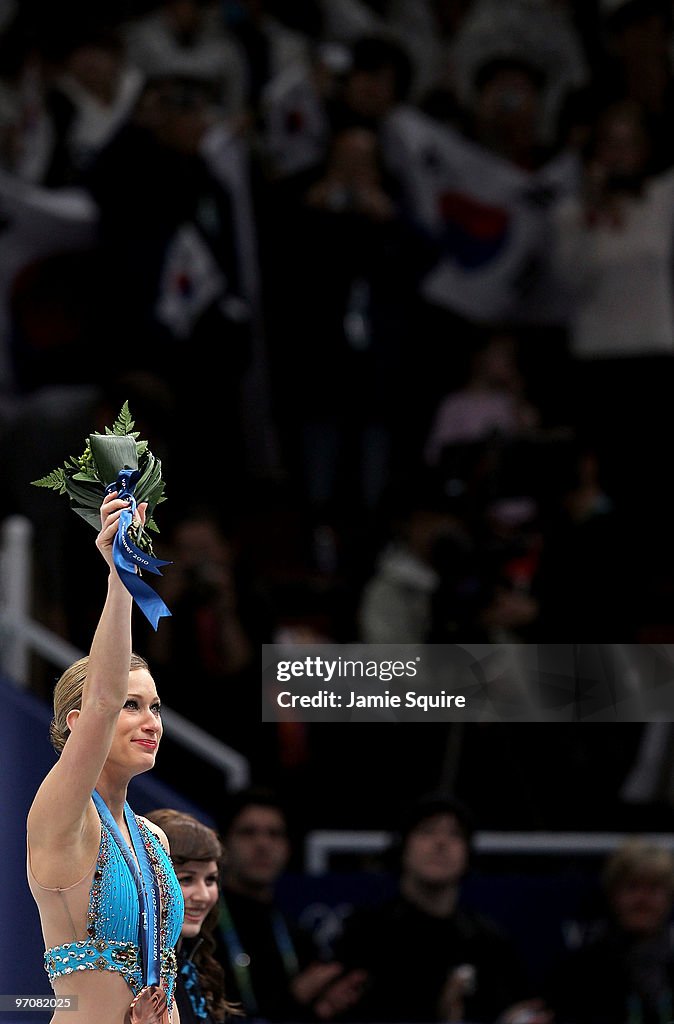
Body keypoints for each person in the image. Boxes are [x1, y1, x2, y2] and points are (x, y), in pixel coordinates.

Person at [26, 490, 185, 1024]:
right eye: (131, 706)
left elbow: (167, 985)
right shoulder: (64, 820)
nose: (151, 722)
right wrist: (121, 575)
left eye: (156, 707)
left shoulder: (154, 839)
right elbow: (99, 699)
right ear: (78, 726)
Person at [320, 794, 552, 1024]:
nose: (441, 843)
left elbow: (515, 1008)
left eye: (455, 834)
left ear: (467, 853)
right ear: (403, 847)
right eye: (427, 831)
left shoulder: (489, 942)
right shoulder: (366, 934)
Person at [215, 785, 364, 1022]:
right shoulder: (203, 930)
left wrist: (321, 1009)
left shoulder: (299, 936)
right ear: (223, 845)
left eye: (274, 834)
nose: (262, 844)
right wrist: (294, 996)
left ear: (288, 848)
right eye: (248, 832)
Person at [546, 837, 674, 1024]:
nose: (643, 900)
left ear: (669, 897)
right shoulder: (580, 972)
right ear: (613, 895)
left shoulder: (670, 966)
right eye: (633, 887)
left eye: (654, 889)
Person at [145, 808, 238, 1024]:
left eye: (210, 880)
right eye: (186, 879)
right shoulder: (130, 972)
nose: (203, 896)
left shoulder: (193, 967)